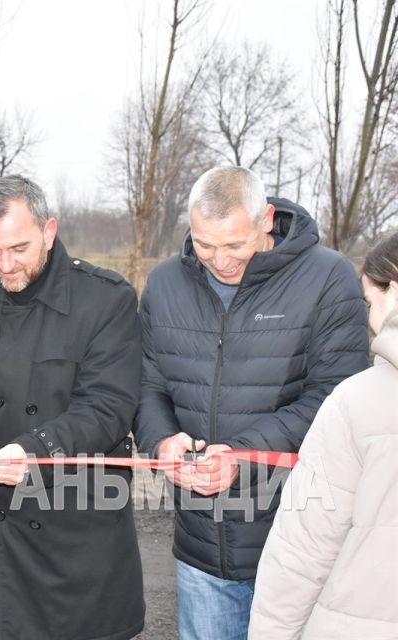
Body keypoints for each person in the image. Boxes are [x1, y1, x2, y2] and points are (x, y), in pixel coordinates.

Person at [133, 165, 369, 640]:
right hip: (203, 545)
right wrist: (161, 441)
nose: (219, 260)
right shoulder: (165, 284)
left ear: (266, 219)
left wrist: (242, 457)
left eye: (234, 245)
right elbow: (147, 386)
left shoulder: (328, 277)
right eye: (205, 244)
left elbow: (336, 397)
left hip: (301, 543)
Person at [0, 175, 146, 640]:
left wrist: (34, 450)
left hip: (80, 543)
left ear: (49, 231)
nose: (4, 264)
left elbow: (108, 407)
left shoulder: (106, 299)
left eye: (18, 248)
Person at [248, 231, 398, 639]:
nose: (370, 322)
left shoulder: (357, 403)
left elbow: (303, 550)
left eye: (370, 303)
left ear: (393, 290)